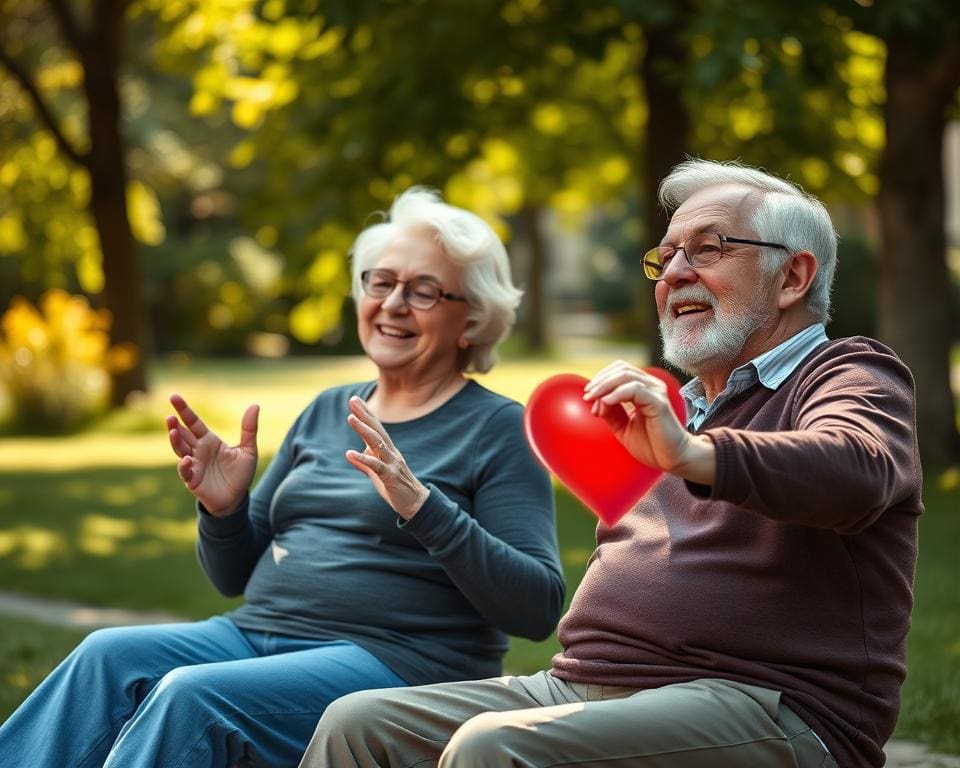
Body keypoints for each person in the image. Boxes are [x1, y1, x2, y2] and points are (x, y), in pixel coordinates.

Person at [299, 159, 922, 768]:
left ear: (792, 277)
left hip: (766, 704)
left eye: (706, 250)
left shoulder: (849, 373)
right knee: (357, 724)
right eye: (666, 256)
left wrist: (691, 453)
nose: (674, 273)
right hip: (583, 685)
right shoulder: (675, 408)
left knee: (493, 745)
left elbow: (856, 469)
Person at [0, 188, 564, 768]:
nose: (393, 303)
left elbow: (537, 607)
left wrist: (424, 507)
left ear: (471, 320)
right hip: (256, 636)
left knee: (192, 696)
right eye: (380, 282)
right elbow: (233, 576)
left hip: (398, 663)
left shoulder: (497, 428)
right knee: (105, 656)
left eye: (422, 290)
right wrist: (223, 512)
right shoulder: (327, 409)